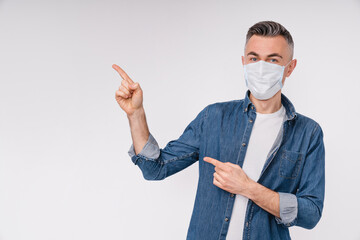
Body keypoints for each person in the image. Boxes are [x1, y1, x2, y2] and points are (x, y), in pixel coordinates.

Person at [113, 21, 325, 240]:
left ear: (290, 67)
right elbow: (154, 169)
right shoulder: (214, 118)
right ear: (244, 62)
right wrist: (135, 114)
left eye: (273, 60)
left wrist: (248, 187)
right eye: (254, 58)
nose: (261, 67)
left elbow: (311, 213)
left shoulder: (308, 133)